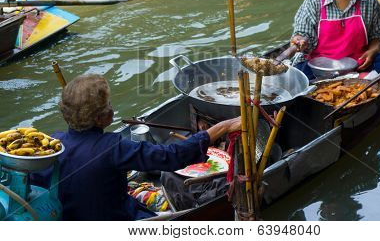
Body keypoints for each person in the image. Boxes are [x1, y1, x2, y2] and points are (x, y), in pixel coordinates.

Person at [32, 74, 240, 220]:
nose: (112, 110)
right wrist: (224, 126)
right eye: (108, 106)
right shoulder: (112, 147)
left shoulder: (51, 144)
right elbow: (173, 156)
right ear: (100, 117)